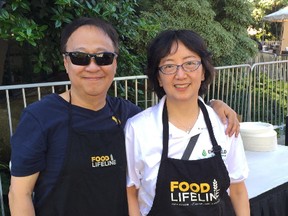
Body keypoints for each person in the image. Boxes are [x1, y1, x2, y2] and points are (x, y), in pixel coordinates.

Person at [8, 17, 240, 216]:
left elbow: (177, 112)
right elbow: (20, 194)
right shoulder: (40, 118)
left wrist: (212, 106)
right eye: (80, 57)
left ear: (115, 62)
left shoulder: (128, 115)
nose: (92, 67)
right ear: (66, 61)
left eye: (103, 57)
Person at [125, 29, 250, 216]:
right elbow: (131, 191)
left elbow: (238, 189)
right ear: (158, 77)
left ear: (203, 72)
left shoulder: (224, 125)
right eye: (169, 66)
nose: (180, 75)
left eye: (190, 63)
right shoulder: (138, 128)